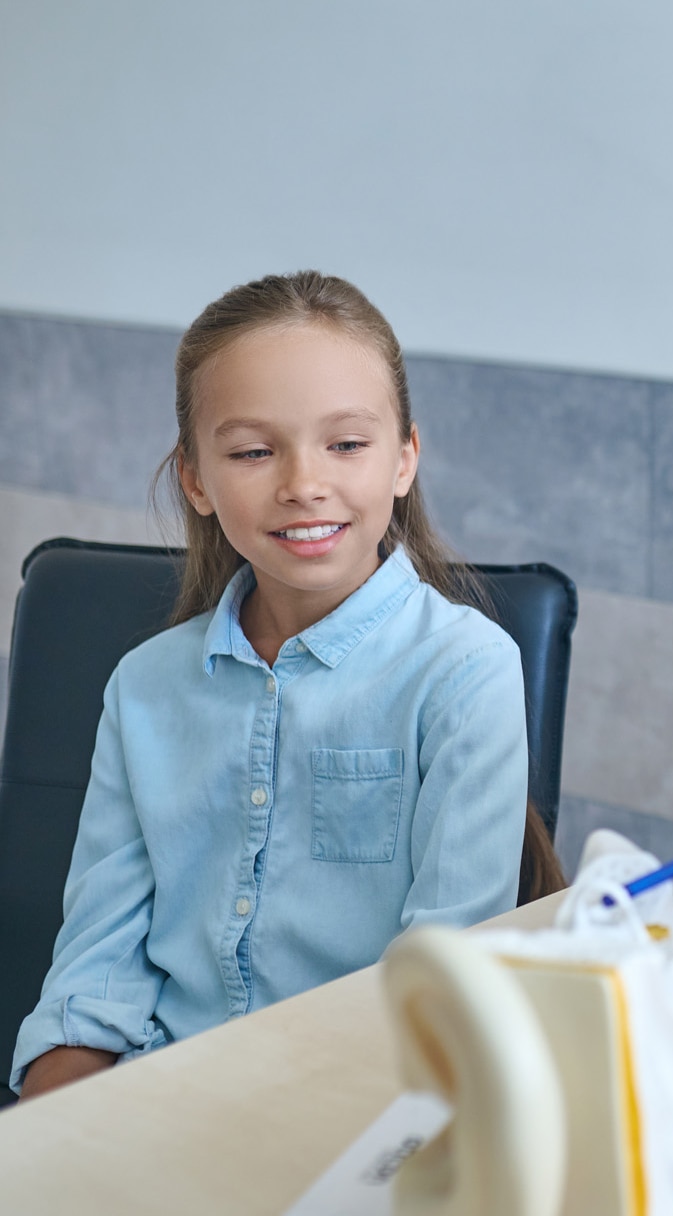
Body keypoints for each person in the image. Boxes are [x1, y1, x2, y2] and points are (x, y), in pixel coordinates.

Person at [12, 271, 562, 1101]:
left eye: (346, 444)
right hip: (155, 1105)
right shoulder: (144, 688)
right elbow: (95, 978)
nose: (304, 483)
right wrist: (52, 1143)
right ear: (195, 478)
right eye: (253, 451)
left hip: (360, 1110)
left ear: (405, 457)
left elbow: (443, 991)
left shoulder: (464, 670)